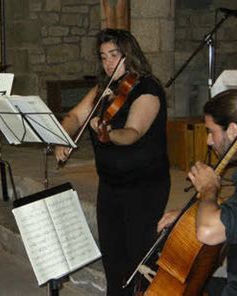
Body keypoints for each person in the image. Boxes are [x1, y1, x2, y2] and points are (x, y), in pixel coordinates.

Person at [55, 28, 170, 296]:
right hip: (111, 184)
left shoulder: (147, 89)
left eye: (114, 55)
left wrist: (106, 132)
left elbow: (132, 134)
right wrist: (63, 136)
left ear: (129, 55)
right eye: (103, 56)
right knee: (113, 260)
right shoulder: (103, 88)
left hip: (144, 186)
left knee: (138, 261)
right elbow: (75, 115)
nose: (108, 62)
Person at [158, 89, 237, 295]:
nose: (208, 141)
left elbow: (209, 232)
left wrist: (208, 189)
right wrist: (188, 216)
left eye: (211, 131)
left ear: (232, 130)